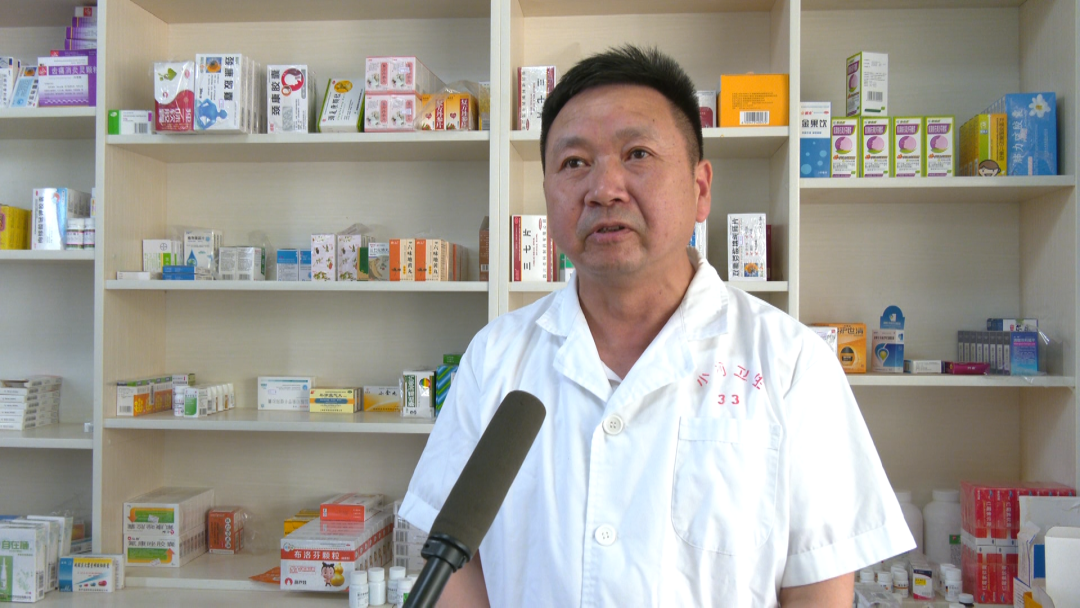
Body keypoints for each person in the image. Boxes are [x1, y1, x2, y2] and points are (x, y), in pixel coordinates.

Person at [399, 46, 914, 607]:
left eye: (638, 154)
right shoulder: (495, 356)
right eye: (574, 163)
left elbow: (818, 586)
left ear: (700, 189)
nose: (604, 188)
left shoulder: (791, 362)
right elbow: (454, 562)